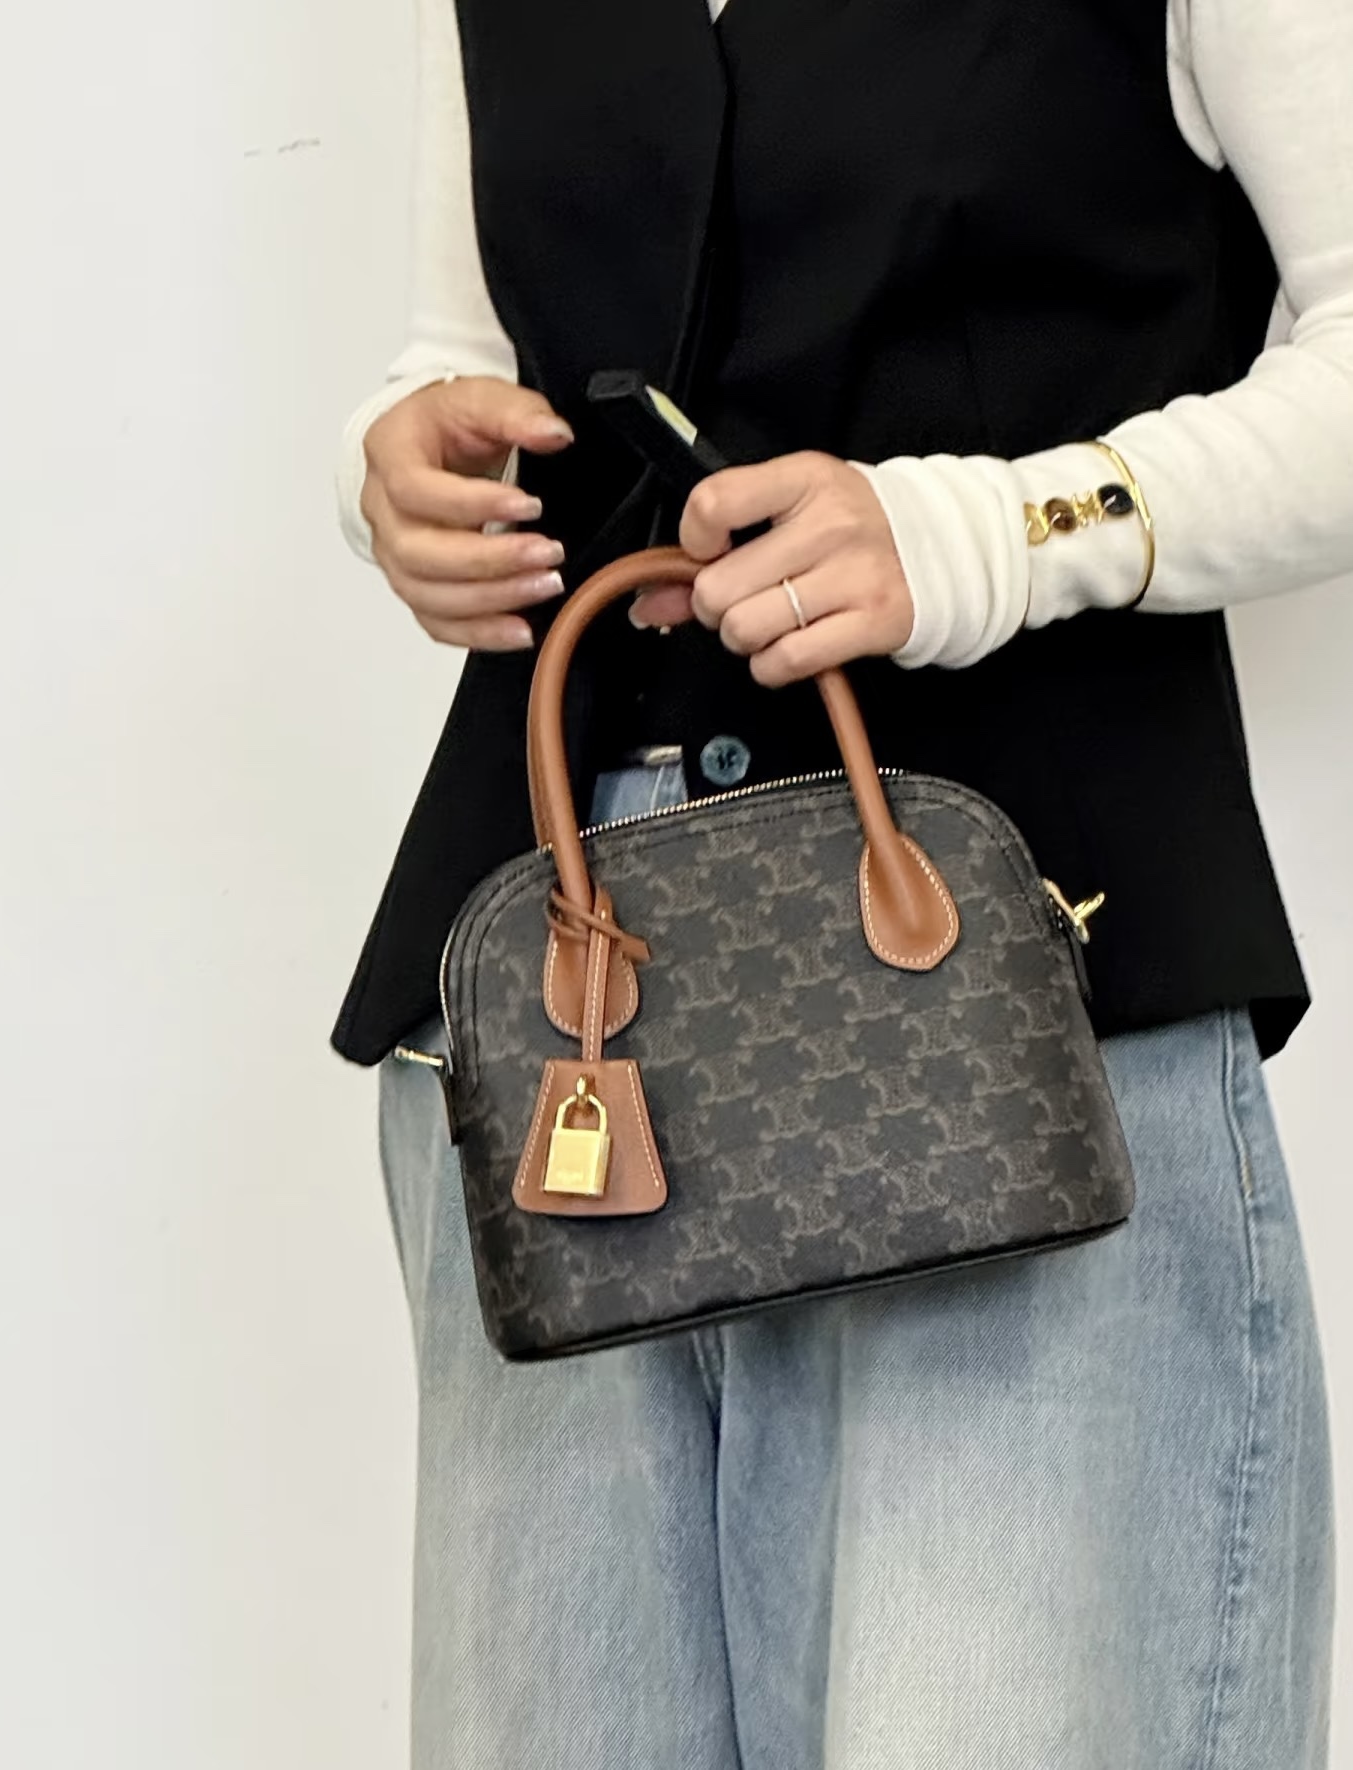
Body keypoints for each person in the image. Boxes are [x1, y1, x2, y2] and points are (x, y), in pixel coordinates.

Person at [333, 0, 1346, 1763]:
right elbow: (463, 349)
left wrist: (991, 531)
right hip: (554, 1035)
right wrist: (403, 476)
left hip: (1015, 1024)